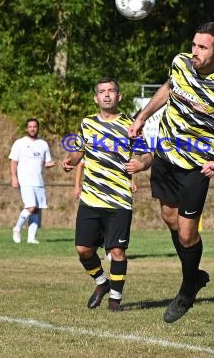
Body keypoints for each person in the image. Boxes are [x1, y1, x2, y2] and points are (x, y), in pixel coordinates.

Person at [128, 22, 214, 323]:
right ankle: (194, 276)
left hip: (197, 166)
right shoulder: (181, 63)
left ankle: (187, 288)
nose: (194, 52)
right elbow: (169, 88)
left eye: (202, 47)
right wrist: (143, 116)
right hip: (165, 155)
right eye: (194, 44)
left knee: (187, 234)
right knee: (168, 218)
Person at [62, 77, 152, 312]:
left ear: (119, 96)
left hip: (119, 199)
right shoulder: (87, 123)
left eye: (112, 91)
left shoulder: (131, 125)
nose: (107, 95)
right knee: (83, 250)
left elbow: (147, 156)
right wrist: (70, 161)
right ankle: (101, 283)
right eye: (102, 91)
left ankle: (115, 301)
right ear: (96, 98)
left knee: (117, 251)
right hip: (91, 198)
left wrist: (140, 165)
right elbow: (78, 151)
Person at [9, 118, 55, 244]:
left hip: (38, 181)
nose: (32, 129)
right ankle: (17, 228)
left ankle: (31, 238)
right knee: (31, 207)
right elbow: (13, 161)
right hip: (25, 180)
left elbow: (46, 162)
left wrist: (51, 164)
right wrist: (14, 177)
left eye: (35, 126)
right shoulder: (20, 143)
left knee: (36, 209)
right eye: (30, 126)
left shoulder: (43, 144)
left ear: (37, 128)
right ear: (26, 128)